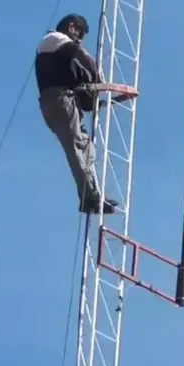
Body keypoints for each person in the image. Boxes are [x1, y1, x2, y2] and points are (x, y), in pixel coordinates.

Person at [35, 13, 118, 215]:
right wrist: (97, 79)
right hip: (58, 100)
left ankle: (91, 191)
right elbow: (82, 57)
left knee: (86, 146)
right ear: (71, 27)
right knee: (74, 147)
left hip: (65, 101)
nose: (79, 39)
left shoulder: (62, 58)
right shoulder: (53, 39)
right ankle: (89, 196)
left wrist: (94, 96)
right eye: (79, 33)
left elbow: (83, 93)